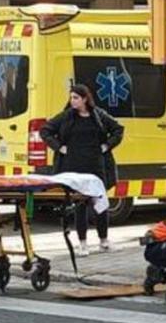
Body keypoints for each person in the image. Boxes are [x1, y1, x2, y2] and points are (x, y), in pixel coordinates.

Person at [40, 84, 124, 255]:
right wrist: (59, 147)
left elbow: (118, 129)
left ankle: (104, 241)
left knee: (100, 203)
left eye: (76, 98)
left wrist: (106, 146)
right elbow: (45, 130)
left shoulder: (98, 115)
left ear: (85, 99)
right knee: (80, 205)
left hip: (96, 165)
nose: (72, 101)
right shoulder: (66, 116)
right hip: (74, 166)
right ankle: (83, 244)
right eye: (71, 97)